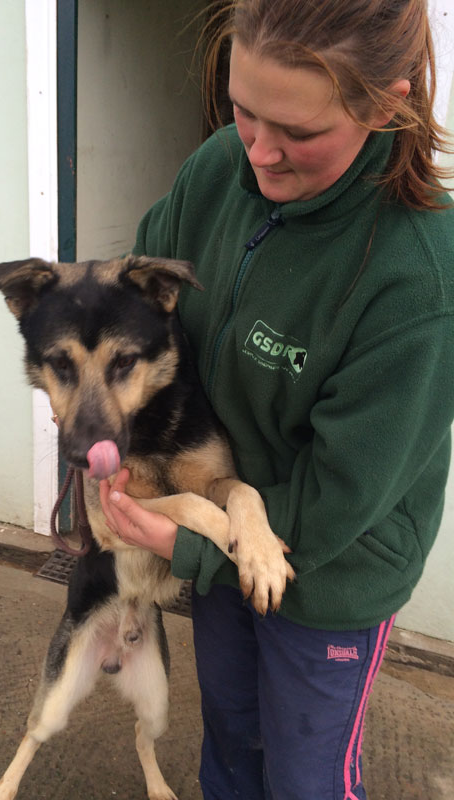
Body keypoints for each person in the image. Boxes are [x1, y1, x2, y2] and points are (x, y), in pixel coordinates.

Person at [99, 1, 454, 797]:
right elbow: (140, 297)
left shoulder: (419, 276)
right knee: (231, 744)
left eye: (297, 133)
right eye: (242, 111)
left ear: (385, 102)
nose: (259, 152)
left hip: (331, 575)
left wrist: (182, 543)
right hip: (224, 539)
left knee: (304, 777)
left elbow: (337, 501)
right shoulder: (217, 167)